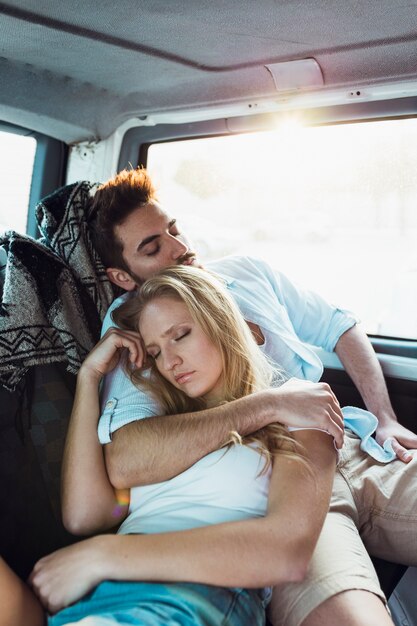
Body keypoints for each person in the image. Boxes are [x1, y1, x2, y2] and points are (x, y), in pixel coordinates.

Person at [85, 167, 417, 626]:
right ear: (124, 277)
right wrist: (271, 406)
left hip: (352, 442)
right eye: (153, 247)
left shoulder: (246, 271)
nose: (179, 248)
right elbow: (127, 460)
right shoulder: (132, 324)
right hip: (278, 480)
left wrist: (385, 417)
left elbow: (340, 324)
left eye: (174, 229)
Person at [2, 265, 338, 626]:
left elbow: (285, 553)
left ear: (220, 320)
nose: (170, 362)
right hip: (96, 592)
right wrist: (89, 377)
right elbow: (85, 515)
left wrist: (103, 554)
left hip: (190, 597)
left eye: (180, 335)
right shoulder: (163, 434)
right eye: (155, 351)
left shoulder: (297, 408)